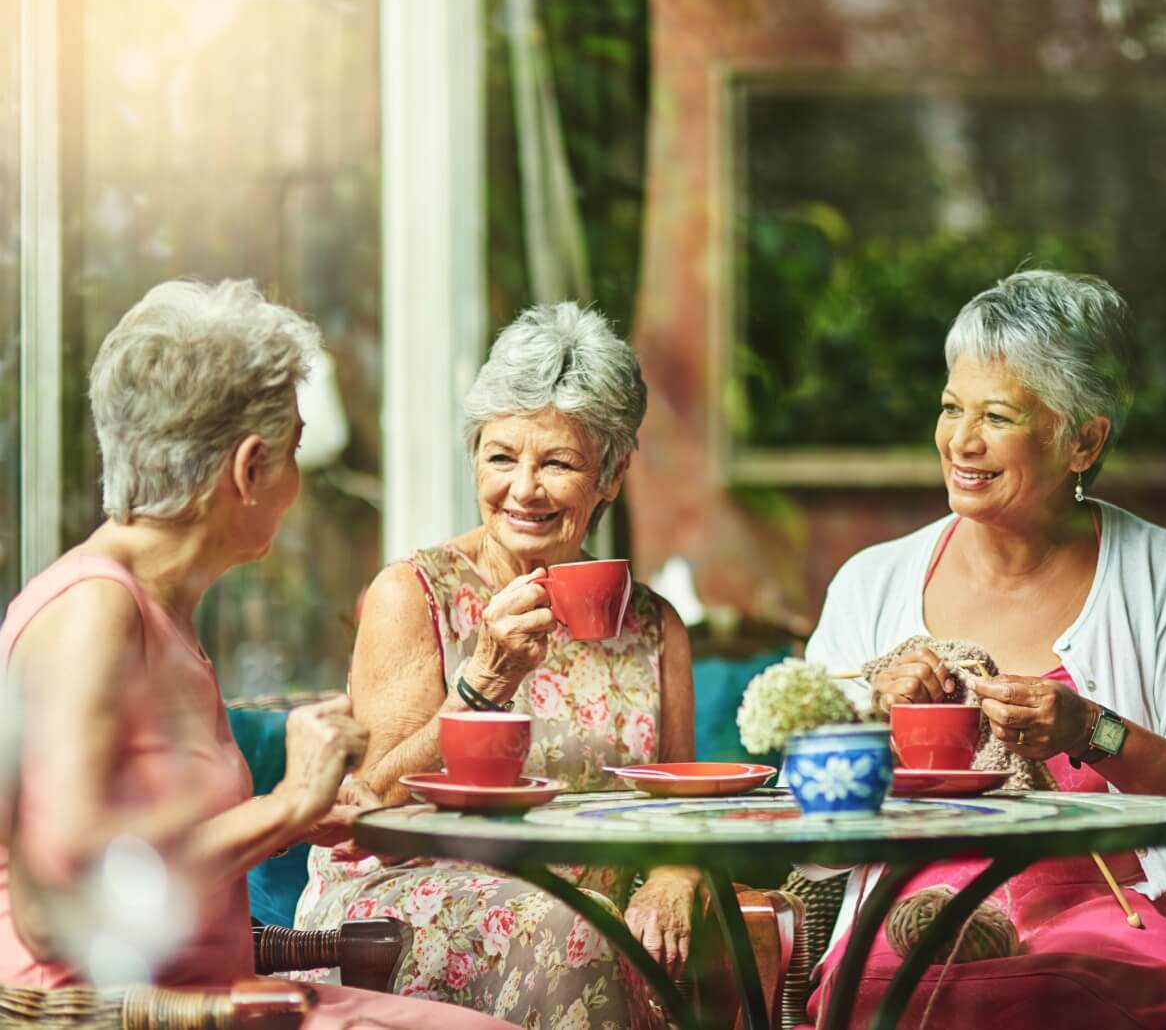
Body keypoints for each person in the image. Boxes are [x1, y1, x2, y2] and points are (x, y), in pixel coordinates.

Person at [0, 279, 513, 1029]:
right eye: (295, 450)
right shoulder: (91, 613)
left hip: (223, 999)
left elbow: (149, 840)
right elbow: (59, 908)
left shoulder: (159, 612)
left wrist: (299, 818)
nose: (298, 482)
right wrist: (282, 806)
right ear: (248, 469)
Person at [805, 270, 1166, 1027]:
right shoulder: (871, 582)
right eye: (951, 407)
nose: (961, 440)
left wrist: (1092, 730)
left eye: (997, 415)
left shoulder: (1159, 571)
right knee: (891, 989)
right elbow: (808, 842)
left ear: (1083, 440)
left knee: (1046, 991)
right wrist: (870, 716)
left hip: (1118, 918)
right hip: (915, 916)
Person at [296, 302, 696, 1027]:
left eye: (559, 462)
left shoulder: (653, 627)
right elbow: (366, 810)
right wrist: (482, 682)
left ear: (613, 472)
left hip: (583, 912)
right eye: (501, 456)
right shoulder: (412, 593)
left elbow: (682, 807)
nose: (523, 490)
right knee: (572, 933)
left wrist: (670, 879)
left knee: (624, 933)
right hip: (401, 906)